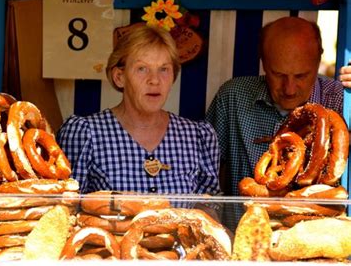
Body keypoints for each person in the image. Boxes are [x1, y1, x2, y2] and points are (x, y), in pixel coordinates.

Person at [57, 24, 220, 196]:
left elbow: (209, 208)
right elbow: (66, 208)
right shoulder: (85, 133)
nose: (155, 80)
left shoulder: (197, 136)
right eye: (142, 69)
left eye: (164, 69)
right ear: (119, 77)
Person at [205, 16, 347, 197]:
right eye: (278, 75)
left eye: (301, 76)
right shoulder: (233, 96)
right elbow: (206, 173)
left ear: (318, 61)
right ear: (263, 62)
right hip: (244, 223)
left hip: (317, 224)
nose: (289, 89)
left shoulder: (341, 99)